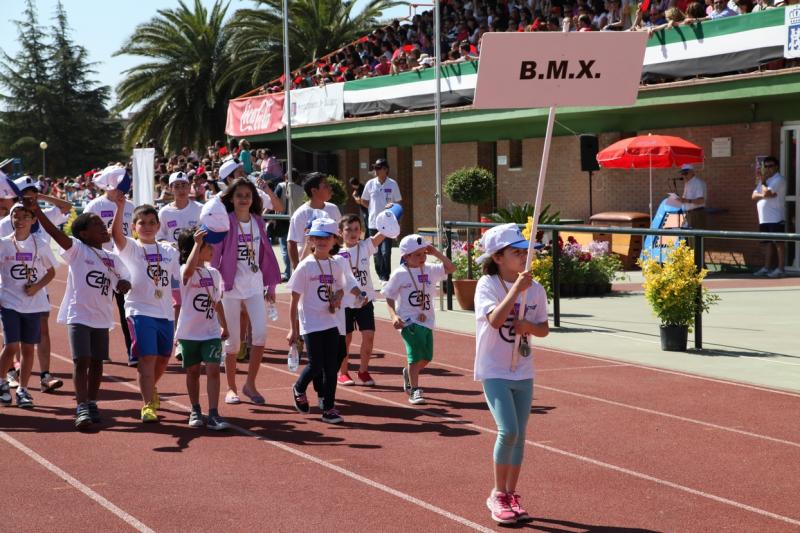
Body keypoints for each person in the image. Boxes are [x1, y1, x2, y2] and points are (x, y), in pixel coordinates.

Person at [473, 223, 549, 524]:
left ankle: (511, 494)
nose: (522, 257)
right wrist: (516, 290)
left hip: (523, 370)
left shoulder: (537, 289)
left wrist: (528, 327)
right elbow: (494, 320)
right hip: (494, 369)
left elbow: (543, 328)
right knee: (508, 430)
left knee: (520, 436)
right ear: (498, 257)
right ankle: (497, 494)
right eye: (516, 252)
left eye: (524, 252)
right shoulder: (487, 285)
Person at [33, 203, 131, 429]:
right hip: (78, 314)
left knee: (97, 362)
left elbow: (123, 280)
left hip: (102, 317)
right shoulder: (77, 249)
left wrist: (125, 283)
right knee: (81, 360)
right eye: (96, 224)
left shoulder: (112, 258)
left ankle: (93, 401)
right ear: (84, 234)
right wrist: (38, 212)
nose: (103, 227)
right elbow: (55, 233)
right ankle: (81, 406)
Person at [287, 217, 365, 424]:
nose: (321, 242)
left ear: (334, 240)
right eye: (317, 238)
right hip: (311, 323)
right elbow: (293, 301)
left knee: (331, 367)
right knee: (316, 364)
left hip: (330, 321)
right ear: (311, 240)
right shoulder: (305, 267)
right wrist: (293, 329)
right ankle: (299, 387)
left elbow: (342, 286)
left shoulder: (336, 264)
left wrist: (338, 298)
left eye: (326, 238)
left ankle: (329, 408)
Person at [211, 178, 281, 406]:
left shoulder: (258, 222)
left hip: (254, 285)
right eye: (239, 195)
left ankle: (250, 384)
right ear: (231, 198)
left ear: (253, 200)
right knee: (233, 342)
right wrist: (213, 281)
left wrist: (270, 285)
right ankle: (231, 388)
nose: (243, 199)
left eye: (248, 196)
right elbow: (215, 255)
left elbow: (266, 253)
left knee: (260, 335)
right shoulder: (226, 222)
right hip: (230, 288)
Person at [111, 199, 180, 423]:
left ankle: (151, 389)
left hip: (165, 312)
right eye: (142, 223)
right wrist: (120, 208)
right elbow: (115, 235)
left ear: (159, 226)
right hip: (139, 310)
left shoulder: (169, 250)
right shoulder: (131, 247)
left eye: (152, 222)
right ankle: (148, 404)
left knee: (163, 359)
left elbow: (181, 277)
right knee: (147, 358)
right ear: (134, 227)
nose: (148, 226)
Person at [0, 177, 71, 394]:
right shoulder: (7, 223)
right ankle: (14, 371)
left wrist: (39, 199)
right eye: (26, 193)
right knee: (14, 339)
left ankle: (45, 375)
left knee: (40, 332)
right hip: (12, 289)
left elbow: (66, 207)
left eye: (34, 192)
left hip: (38, 287)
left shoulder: (43, 215)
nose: (30, 195)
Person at [382, 234, 455, 405]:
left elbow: (451, 268)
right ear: (406, 256)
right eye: (417, 254)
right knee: (415, 357)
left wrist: (436, 253)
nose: (422, 258)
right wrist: (393, 315)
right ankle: (415, 390)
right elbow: (388, 296)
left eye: (424, 253)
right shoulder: (399, 274)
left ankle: (409, 373)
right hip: (408, 321)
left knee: (426, 357)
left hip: (427, 320)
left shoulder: (429, 269)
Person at [0, 203, 57, 409]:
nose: (20, 220)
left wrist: (37, 287)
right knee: (11, 345)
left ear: (33, 220)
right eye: (16, 216)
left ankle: (23, 389)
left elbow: (51, 272)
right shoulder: (3, 244)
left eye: (25, 216)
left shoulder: (40, 244)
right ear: (11, 219)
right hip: (9, 302)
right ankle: (2, 383)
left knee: (28, 349)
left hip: (34, 304)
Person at [175, 228, 230, 430]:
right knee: (193, 372)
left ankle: (214, 413)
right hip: (190, 332)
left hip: (210, 332)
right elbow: (188, 271)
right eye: (208, 246)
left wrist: (224, 323)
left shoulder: (213, 273)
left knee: (214, 369)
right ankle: (195, 409)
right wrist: (197, 244)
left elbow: (217, 301)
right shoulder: (183, 270)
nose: (212, 249)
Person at [85, 168, 135, 362]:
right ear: (109, 186)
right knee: (100, 309)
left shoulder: (130, 206)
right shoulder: (95, 205)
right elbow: (83, 235)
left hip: (124, 266)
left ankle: (133, 352)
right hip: (100, 265)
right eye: (119, 189)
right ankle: (99, 352)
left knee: (127, 310)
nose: (122, 193)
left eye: (125, 190)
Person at [337, 214, 385, 386]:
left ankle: (363, 371)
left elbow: (383, 233)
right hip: (346, 303)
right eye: (348, 229)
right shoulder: (337, 254)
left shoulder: (365, 246)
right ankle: (343, 372)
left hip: (365, 301)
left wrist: (390, 213)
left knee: (369, 336)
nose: (353, 233)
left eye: (356, 229)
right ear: (340, 232)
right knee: (346, 339)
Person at [356, 159, 402, 282]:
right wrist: (372, 209)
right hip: (373, 223)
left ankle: (386, 276)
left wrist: (391, 207)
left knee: (386, 251)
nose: (375, 170)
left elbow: (398, 202)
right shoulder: (370, 183)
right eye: (374, 168)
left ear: (386, 169)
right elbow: (364, 200)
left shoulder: (392, 184)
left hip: (388, 223)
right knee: (376, 251)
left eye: (378, 168)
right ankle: (380, 274)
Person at [287, 173, 342, 270]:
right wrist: (296, 267)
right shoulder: (300, 214)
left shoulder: (333, 209)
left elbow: (340, 235)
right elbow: (292, 242)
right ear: (314, 191)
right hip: (309, 265)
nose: (330, 188)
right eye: (325, 186)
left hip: (331, 263)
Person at [752, 156, 787, 278]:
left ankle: (781, 268)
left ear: (776, 166)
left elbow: (767, 193)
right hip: (763, 218)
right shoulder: (765, 180)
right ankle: (767, 267)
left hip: (776, 217)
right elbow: (753, 196)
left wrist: (763, 185)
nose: (768, 169)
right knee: (767, 243)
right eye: (765, 166)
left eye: (770, 166)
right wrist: (764, 192)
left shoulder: (779, 179)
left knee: (779, 243)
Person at [274, 169, 305, 280]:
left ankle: (288, 274)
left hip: (283, 219)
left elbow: (273, 200)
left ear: (286, 176)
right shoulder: (302, 190)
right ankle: (297, 271)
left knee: (285, 247)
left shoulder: (281, 186)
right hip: (298, 220)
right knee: (297, 247)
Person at [675, 164, 707, 229]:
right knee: (689, 237)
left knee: (696, 236)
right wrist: (679, 200)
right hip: (689, 213)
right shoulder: (687, 183)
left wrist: (686, 200)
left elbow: (701, 201)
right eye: (682, 174)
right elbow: (685, 199)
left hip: (696, 213)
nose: (684, 175)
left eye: (686, 173)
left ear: (692, 172)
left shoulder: (698, 183)